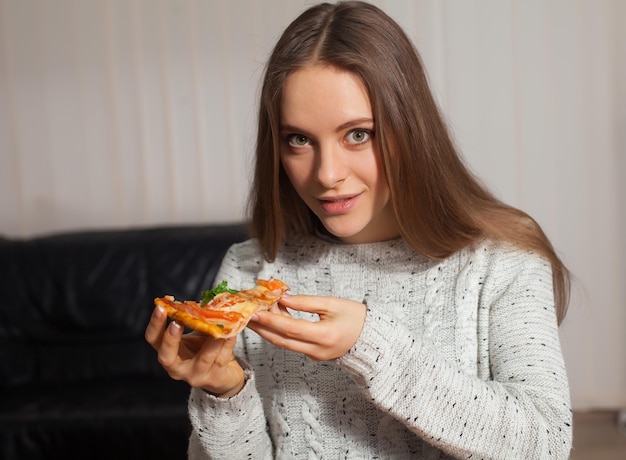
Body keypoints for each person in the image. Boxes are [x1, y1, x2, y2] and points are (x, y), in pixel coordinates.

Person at [145, 1, 572, 458]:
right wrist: (224, 394)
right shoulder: (250, 270)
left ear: (409, 128)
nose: (327, 174)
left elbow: (545, 443)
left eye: (358, 134)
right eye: (300, 139)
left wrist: (368, 343)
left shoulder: (504, 260)